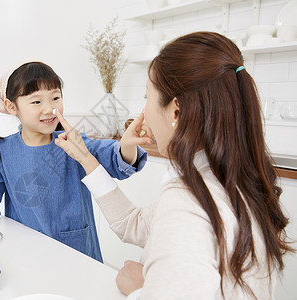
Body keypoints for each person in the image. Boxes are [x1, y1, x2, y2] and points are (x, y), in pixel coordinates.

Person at [54, 32, 294, 299]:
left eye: (147, 97)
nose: (143, 112)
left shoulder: (188, 199)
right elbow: (133, 223)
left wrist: (138, 288)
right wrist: (87, 159)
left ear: (176, 111)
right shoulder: (236, 182)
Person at [0, 61, 150, 262]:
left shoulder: (73, 141)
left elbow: (115, 158)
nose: (50, 109)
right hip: (27, 254)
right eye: (36, 101)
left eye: (55, 98)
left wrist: (127, 145)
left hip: (78, 252)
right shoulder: (1, 151)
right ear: (12, 107)